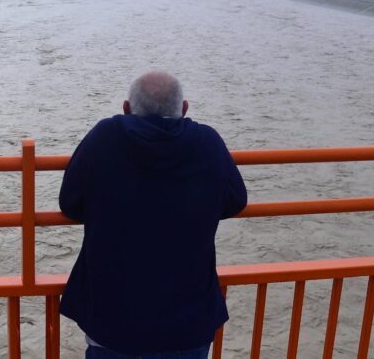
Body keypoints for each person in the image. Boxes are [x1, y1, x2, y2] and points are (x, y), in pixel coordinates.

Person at [59, 71, 248, 359]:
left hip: (112, 321)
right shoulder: (207, 142)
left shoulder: (104, 137)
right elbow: (236, 200)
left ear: (126, 109)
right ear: (184, 109)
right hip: (188, 323)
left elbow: (69, 203)